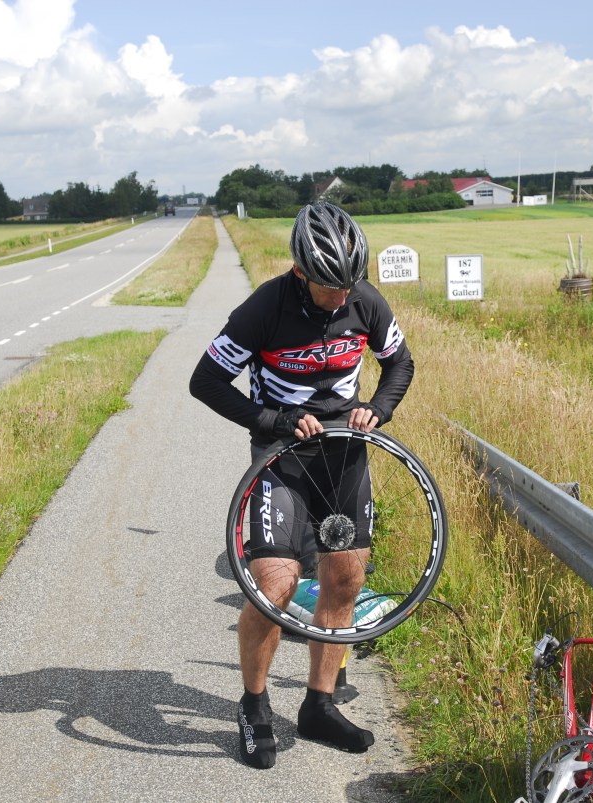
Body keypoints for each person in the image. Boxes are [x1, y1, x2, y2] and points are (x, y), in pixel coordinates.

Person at [189, 201, 415, 769]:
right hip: (281, 461)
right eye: (328, 288)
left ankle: (318, 704)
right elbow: (206, 380)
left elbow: (400, 364)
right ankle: (255, 706)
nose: (341, 298)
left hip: (345, 458)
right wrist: (272, 420)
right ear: (300, 272)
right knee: (275, 582)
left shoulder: (363, 299)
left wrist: (378, 409)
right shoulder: (264, 308)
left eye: (348, 286)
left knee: (344, 580)